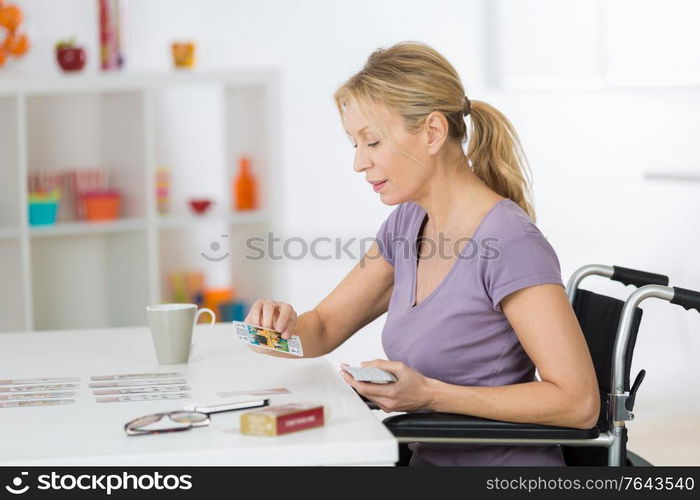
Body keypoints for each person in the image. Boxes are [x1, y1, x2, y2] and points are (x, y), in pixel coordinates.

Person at [244, 41, 599, 466]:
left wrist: (428, 394)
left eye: (372, 142)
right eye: (354, 144)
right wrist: (274, 330)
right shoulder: (407, 224)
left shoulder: (510, 241)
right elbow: (320, 328)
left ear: (432, 132)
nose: (359, 163)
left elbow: (578, 403)